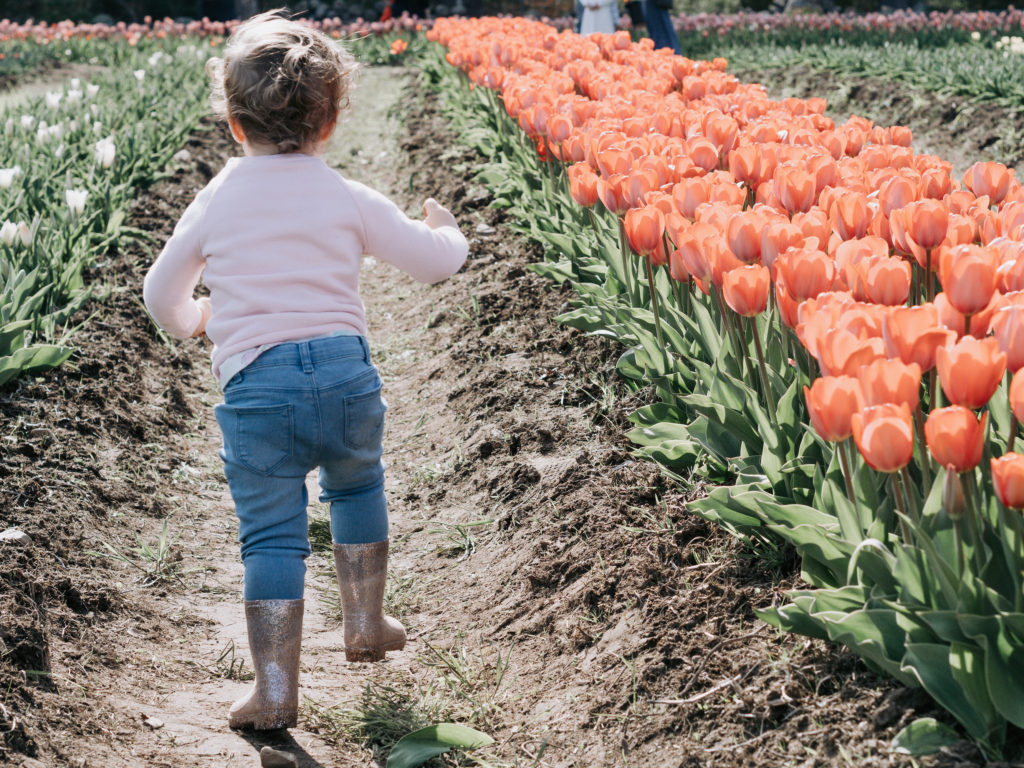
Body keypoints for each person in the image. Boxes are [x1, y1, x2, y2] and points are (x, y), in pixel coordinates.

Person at [143, 11, 468, 731]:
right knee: (358, 485)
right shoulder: (346, 196)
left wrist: (201, 320)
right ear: (330, 122)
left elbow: (160, 293)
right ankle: (364, 622)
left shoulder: (216, 200)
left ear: (233, 122)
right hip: (346, 377)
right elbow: (433, 260)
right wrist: (451, 230)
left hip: (258, 390)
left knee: (271, 534)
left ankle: (275, 689)